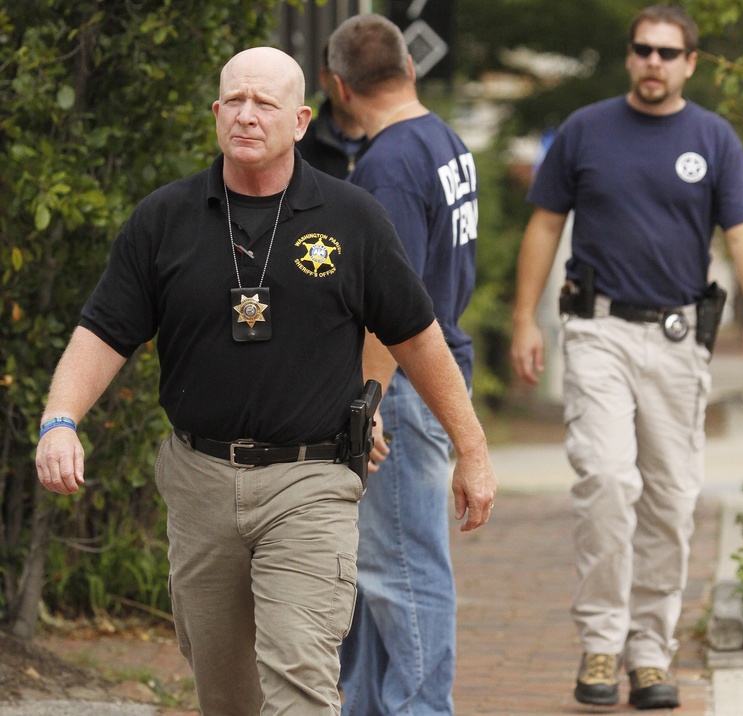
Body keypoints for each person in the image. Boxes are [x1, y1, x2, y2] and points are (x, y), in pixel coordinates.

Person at [34, 46, 497, 716]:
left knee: (301, 675)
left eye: (265, 103)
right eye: (234, 102)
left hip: (309, 481)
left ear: (302, 120)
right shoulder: (164, 220)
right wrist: (59, 419)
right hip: (200, 479)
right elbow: (104, 333)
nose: (246, 116)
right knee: (225, 691)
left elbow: (418, 338)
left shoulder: (352, 218)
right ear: (216, 112)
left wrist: (472, 451)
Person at [511, 4, 743, 711]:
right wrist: (522, 321)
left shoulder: (711, 138)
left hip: (674, 340)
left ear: (688, 62)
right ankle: (601, 643)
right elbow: (544, 224)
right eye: (642, 50)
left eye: (667, 52)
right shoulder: (584, 130)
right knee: (604, 479)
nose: (653, 62)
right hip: (597, 331)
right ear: (629, 57)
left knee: (668, 501)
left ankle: (649, 654)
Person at [326, 14, 480, 715]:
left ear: (337, 88)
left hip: (405, 391)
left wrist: (368, 402)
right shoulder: (442, 140)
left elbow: (393, 308)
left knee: (404, 575)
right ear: (408, 69)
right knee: (374, 571)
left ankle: (421, 708)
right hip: (437, 374)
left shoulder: (386, 167)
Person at [296, 42, 367, 179]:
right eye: (346, 74)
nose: (356, 84)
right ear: (325, 78)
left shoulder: (392, 143)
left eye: (366, 74)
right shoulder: (296, 145)